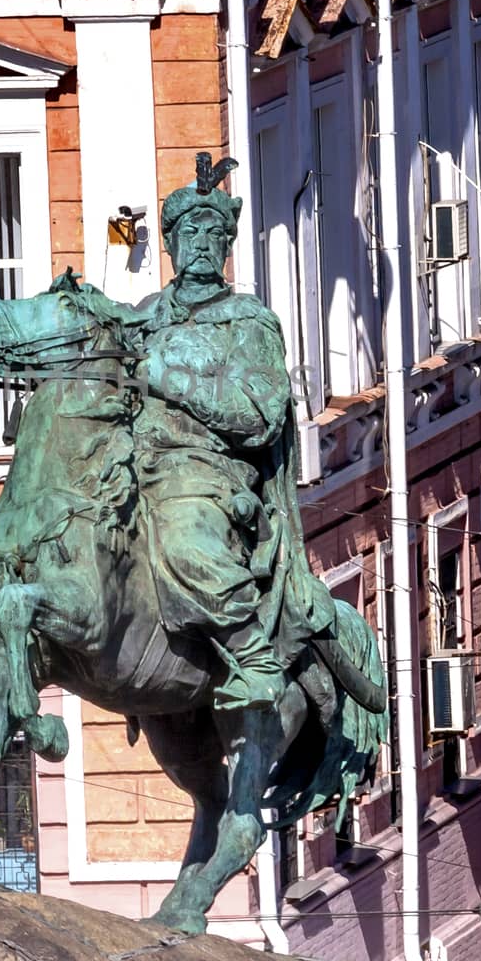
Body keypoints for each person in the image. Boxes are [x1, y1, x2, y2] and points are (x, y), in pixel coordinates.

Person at [127, 152, 328, 710]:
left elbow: (260, 415)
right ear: (168, 243)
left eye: (212, 232)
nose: (199, 242)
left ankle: (256, 658)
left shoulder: (248, 321)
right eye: (188, 230)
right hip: (128, 463)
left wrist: (165, 377)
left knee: (187, 540)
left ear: (227, 245)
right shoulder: (142, 315)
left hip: (206, 473)